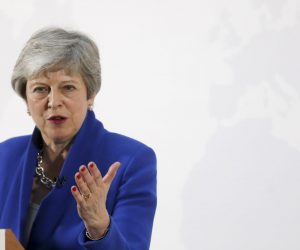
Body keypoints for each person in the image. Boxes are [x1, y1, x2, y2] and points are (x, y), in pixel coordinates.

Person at [0, 27, 157, 250]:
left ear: (90, 94)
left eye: (68, 87)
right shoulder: (5, 155)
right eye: (40, 89)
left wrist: (100, 228)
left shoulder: (131, 160)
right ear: (26, 100)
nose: (53, 101)